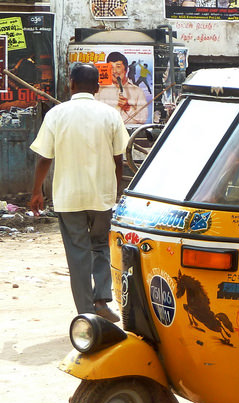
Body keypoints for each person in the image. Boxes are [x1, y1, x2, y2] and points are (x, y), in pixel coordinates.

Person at [29, 63, 129, 323]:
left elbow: (44, 158)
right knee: (100, 247)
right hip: (101, 196)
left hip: (68, 196)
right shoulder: (110, 115)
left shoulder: (56, 114)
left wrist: (36, 191)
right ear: (97, 87)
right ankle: (101, 300)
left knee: (77, 253)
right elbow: (119, 158)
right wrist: (115, 190)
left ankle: (85, 311)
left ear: (70, 83)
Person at [94, 52, 149, 124]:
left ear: (126, 70)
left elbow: (143, 119)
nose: (114, 71)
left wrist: (128, 108)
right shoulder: (99, 90)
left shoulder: (137, 91)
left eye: (118, 67)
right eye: (111, 67)